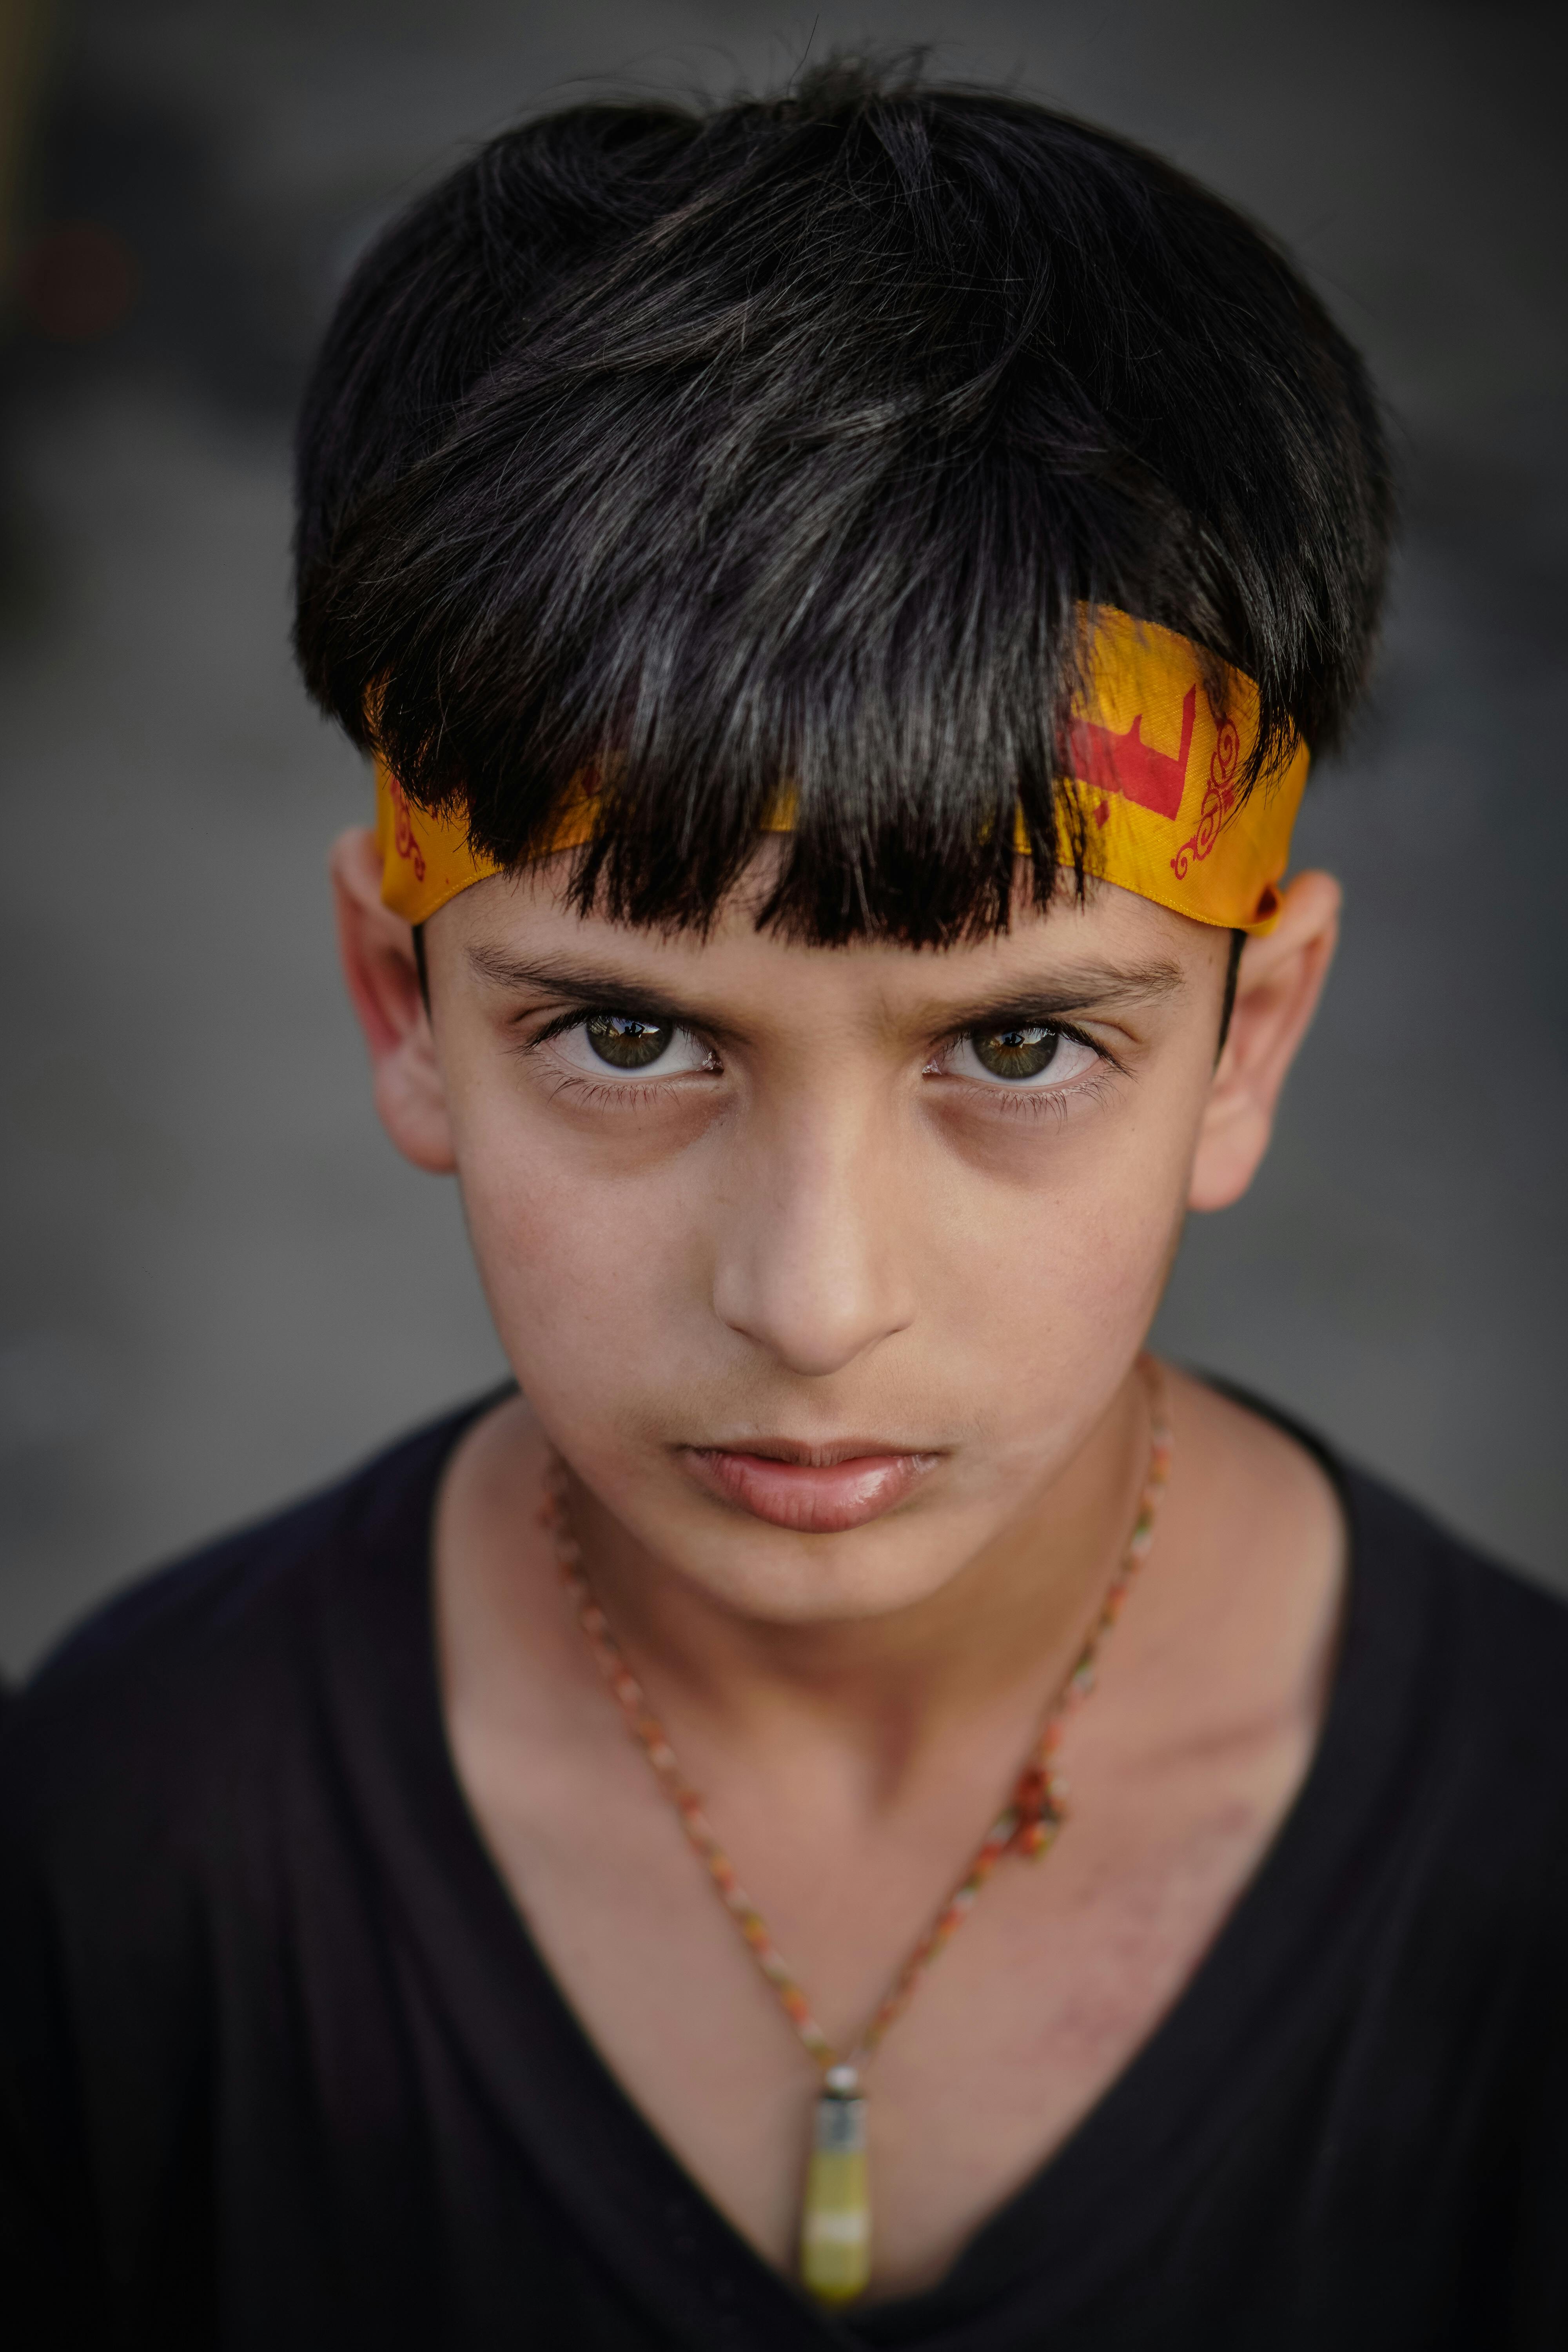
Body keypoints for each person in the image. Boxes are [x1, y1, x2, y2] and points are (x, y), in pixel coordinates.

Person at [4, 56, 1565, 2351]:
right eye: (632, 1038)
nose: (815, 1301)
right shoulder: (134, 1849)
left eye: (1019, 1047)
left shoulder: (1524, 1871)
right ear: (400, 1004)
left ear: (1250, 1044)